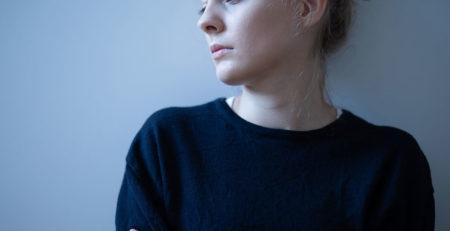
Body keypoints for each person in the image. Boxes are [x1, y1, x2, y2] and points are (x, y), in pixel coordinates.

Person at [115, 0, 435, 230]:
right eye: (202, 6)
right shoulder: (166, 145)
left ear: (307, 6)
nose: (205, 20)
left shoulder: (389, 165)